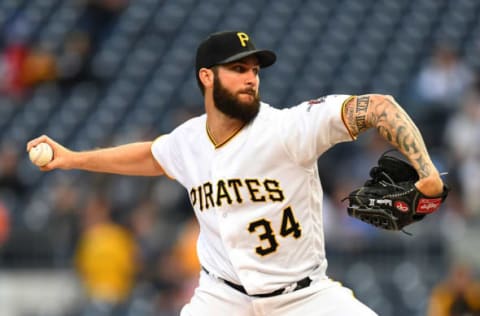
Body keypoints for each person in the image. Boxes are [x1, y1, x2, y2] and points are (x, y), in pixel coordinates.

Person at [27, 31, 446, 315]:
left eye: (255, 70)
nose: (251, 78)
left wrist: (427, 172)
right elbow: (152, 156)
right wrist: (74, 158)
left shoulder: (288, 129)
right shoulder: (188, 140)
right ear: (207, 77)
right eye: (238, 69)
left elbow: (380, 107)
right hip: (221, 298)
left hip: (303, 299)